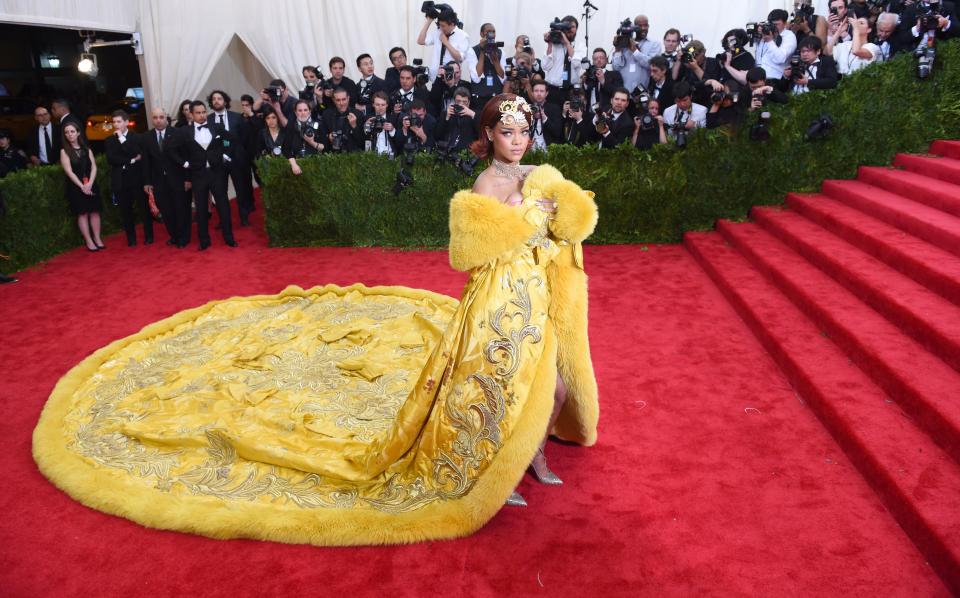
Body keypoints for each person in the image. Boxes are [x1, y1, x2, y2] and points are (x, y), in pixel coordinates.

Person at [32, 93, 600, 546]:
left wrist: (557, 215)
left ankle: (538, 453)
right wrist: (526, 218)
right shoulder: (487, 184)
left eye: (525, 132)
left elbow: (573, 226)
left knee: (547, 385)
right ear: (490, 136)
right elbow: (469, 250)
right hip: (497, 301)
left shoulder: (540, 176)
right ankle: (509, 465)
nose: (517, 142)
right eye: (508, 133)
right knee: (497, 386)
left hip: (537, 294)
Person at [166, 100, 238, 250]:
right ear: (191, 115)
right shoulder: (184, 131)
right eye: (198, 113)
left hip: (217, 172)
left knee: (223, 205)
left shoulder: (216, 127)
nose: (202, 115)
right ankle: (204, 240)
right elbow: (171, 149)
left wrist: (225, 155)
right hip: (198, 174)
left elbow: (230, 139)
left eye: (204, 112)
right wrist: (184, 163)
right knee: (201, 209)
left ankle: (229, 237)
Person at [208, 90, 256, 227]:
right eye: (214, 99)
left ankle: (244, 216)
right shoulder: (208, 120)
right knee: (220, 192)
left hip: (237, 159)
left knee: (241, 190)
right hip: (218, 161)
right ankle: (223, 220)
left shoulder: (237, 117)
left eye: (219, 98)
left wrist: (243, 155)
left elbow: (245, 138)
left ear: (225, 101)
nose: (216, 101)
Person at [143, 107, 189, 248]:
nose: (158, 120)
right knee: (166, 211)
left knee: (180, 209)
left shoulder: (177, 134)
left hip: (178, 179)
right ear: (152, 119)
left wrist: (188, 179)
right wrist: (147, 182)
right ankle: (174, 236)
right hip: (159, 181)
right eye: (155, 117)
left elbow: (186, 157)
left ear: (166, 118)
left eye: (161, 117)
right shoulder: (147, 137)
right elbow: (146, 162)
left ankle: (183, 238)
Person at [105, 110, 151, 246]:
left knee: (144, 209)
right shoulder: (109, 140)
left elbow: (137, 153)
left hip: (137, 179)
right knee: (125, 211)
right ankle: (131, 239)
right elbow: (112, 159)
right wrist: (131, 160)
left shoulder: (137, 138)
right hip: (120, 180)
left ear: (126, 122)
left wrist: (122, 139)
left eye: (119, 121)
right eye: (114, 122)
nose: (116, 124)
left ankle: (149, 236)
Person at [59, 122, 103, 252]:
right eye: (66, 132)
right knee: (82, 213)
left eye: (72, 131)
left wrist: (90, 183)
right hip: (76, 187)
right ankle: (89, 241)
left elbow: (94, 167)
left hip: (91, 184)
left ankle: (98, 239)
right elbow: (69, 171)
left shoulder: (87, 149)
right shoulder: (64, 151)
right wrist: (82, 186)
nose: (69, 134)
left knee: (95, 211)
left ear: (78, 133)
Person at [611, 15, 661, 96]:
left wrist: (635, 51)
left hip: (642, 95)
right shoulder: (624, 43)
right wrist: (618, 49)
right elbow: (616, 67)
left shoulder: (654, 44)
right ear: (634, 27)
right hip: (623, 95)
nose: (643, 28)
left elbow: (652, 65)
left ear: (648, 26)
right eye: (640, 26)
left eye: (645, 25)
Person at [417, 5, 470, 80]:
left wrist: (446, 42)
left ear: (452, 24)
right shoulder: (438, 32)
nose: (440, 28)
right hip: (435, 77)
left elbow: (459, 58)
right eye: (440, 25)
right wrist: (429, 21)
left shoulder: (463, 36)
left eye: (443, 26)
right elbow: (420, 41)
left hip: (451, 78)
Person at [542, 15, 586, 106]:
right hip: (553, 90)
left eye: (572, 27)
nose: (570, 29)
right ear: (561, 28)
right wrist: (549, 44)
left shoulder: (580, 46)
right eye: (567, 26)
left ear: (576, 29)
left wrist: (566, 43)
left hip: (571, 91)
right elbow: (545, 66)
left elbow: (576, 63)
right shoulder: (553, 44)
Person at [467, 23, 507, 110]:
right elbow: (476, 77)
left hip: (496, 98)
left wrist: (495, 60)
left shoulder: (501, 52)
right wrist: (482, 51)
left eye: (493, 31)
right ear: (481, 34)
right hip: (479, 98)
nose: (491, 34)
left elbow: (503, 77)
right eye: (488, 31)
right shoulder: (472, 51)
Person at [435, 87, 477, 152]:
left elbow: (480, 134)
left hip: (466, 153)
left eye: (464, 102)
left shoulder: (473, 115)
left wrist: (473, 115)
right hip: (448, 151)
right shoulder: (446, 113)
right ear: (454, 101)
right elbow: (438, 135)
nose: (461, 104)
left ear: (469, 103)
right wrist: (447, 118)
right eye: (458, 101)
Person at [321, 88, 365, 153]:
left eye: (344, 99)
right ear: (333, 100)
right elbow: (321, 138)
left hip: (353, 155)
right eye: (338, 100)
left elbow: (362, 142)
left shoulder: (358, 114)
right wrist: (329, 138)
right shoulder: (327, 115)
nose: (341, 103)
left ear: (348, 98)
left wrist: (354, 126)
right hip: (332, 155)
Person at [528, 80, 562, 150]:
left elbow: (557, 132)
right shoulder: (527, 109)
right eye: (536, 91)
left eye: (542, 91)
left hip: (548, 149)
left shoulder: (554, 108)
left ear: (546, 93)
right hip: (530, 150)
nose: (539, 94)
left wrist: (544, 118)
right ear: (532, 93)